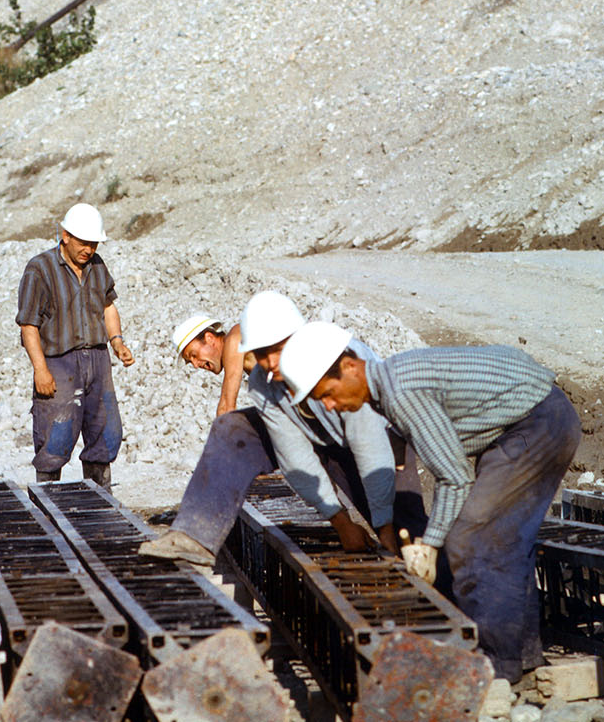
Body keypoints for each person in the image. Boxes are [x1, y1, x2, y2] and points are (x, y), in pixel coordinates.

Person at [279, 326, 581, 684]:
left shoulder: (400, 393)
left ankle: (495, 666)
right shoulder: (390, 385)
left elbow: (454, 478)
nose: (329, 406)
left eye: (327, 394)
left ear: (350, 367)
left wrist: (430, 545)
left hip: (538, 424)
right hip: (534, 418)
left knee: (471, 540)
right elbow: (447, 468)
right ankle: (522, 658)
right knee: (504, 540)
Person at [139, 291, 426, 566]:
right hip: (321, 437)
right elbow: (294, 454)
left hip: (382, 440)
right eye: (261, 354)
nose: (270, 362)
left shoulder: (335, 359)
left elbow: (370, 445)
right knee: (232, 428)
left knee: (412, 541)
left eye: (277, 349)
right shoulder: (264, 383)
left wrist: (384, 525)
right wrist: (341, 522)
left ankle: (450, 596)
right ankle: (195, 535)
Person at [15, 202, 134, 488]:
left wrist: (117, 341)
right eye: (84, 242)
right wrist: (40, 370)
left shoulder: (97, 266)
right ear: (65, 235)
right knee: (55, 438)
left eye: (93, 244)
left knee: (105, 434)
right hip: (59, 363)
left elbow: (108, 307)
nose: (89, 250)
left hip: (98, 360)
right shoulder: (39, 269)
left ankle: (99, 499)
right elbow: (28, 325)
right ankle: (48, 501)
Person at [172, 313, 253, 415]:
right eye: (190, 362)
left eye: (194, 355)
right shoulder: (240, 345)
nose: (196, 365)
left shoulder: (233, 341)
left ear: (209, 338)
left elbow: (226, 408)